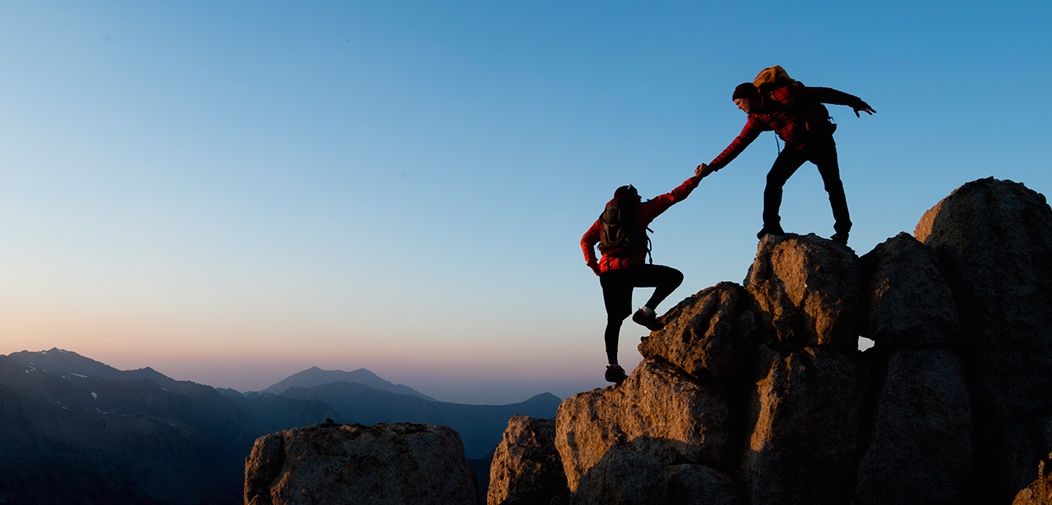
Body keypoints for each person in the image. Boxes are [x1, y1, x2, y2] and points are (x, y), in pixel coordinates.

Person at [699, 72, 875, 244]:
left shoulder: (786, 94)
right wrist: (711, 166)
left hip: (820, 141)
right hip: (795, 147)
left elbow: (824, 93)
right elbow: (738, 144)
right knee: (773, 179)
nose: (738, 107)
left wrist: (854, 102)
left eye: (739, 102)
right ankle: (771, 225)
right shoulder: (756, 119)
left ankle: (842, 231)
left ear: (750, 96)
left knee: (832, 184)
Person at [580, 166, 704, 384]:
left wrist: (594, 266)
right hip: (632, 270)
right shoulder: (641, 210)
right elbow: (674, 196)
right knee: (674, 277)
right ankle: (646, 312)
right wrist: (696, 178)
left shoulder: (604, 220)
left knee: (614, 319)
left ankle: (613, 366)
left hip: (608, 274)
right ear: (634, 198)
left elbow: (585, 240)